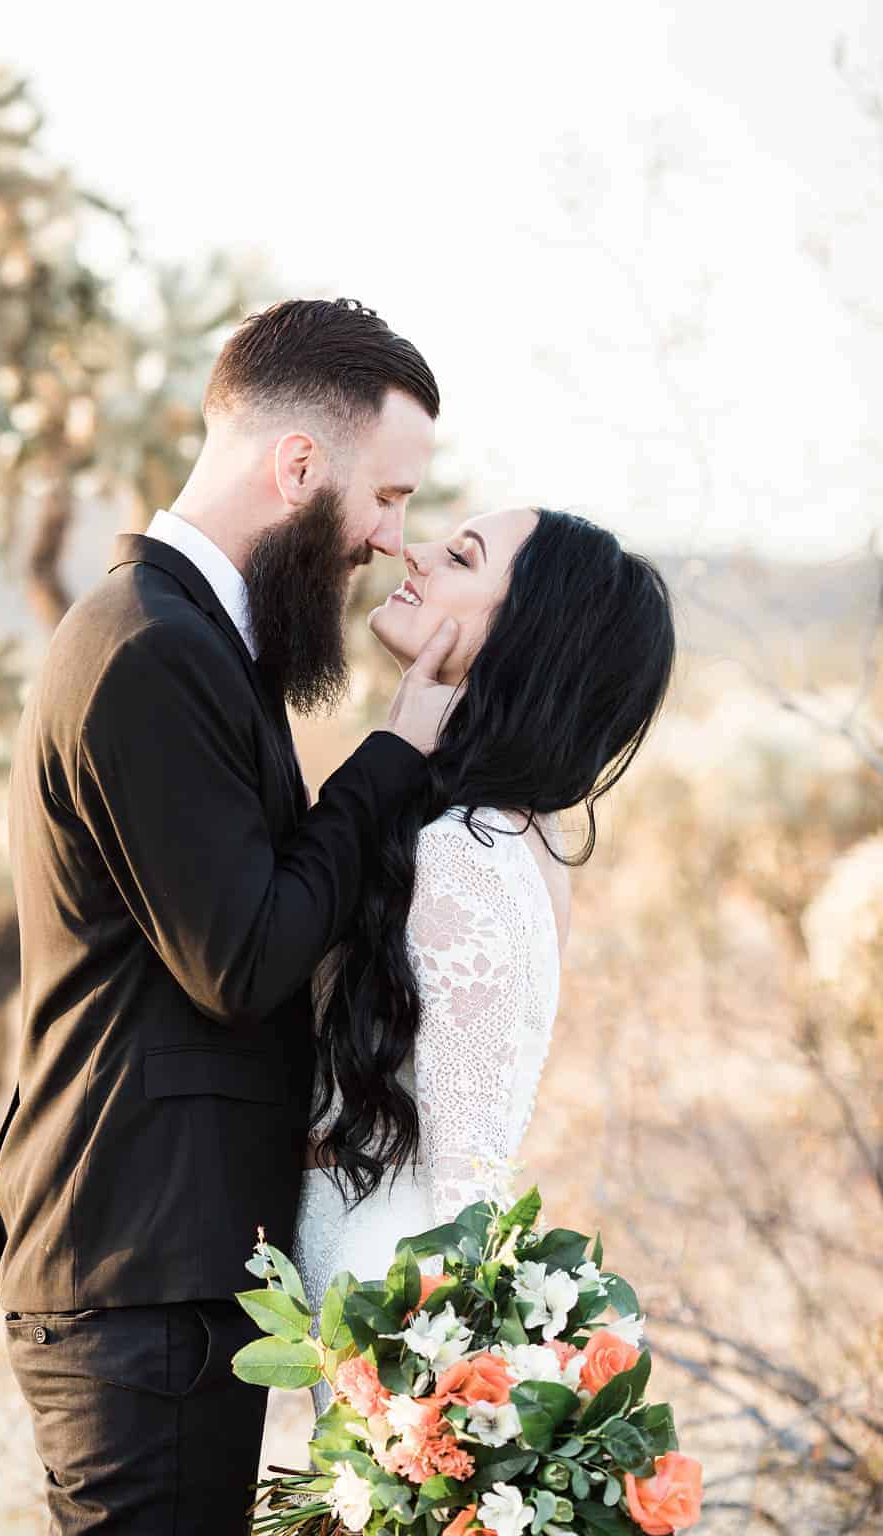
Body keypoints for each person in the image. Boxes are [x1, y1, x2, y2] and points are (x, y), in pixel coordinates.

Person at [0, 298, 460, 1532]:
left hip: (167, 1272)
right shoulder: (150, 649)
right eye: (387, 496)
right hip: (138, 1276)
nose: (389, 538)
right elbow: (240, 959)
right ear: (297, 466)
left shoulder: (196, 643)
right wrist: (395, 751)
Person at [293, 506, 676, 1402]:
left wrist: (455, 1404)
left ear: (523, 638)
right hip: (373, 1277)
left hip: (404, 1312)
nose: (414, 550)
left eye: (461, 557)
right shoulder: (504, 832)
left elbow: (469, 1173)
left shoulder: (467, 853)